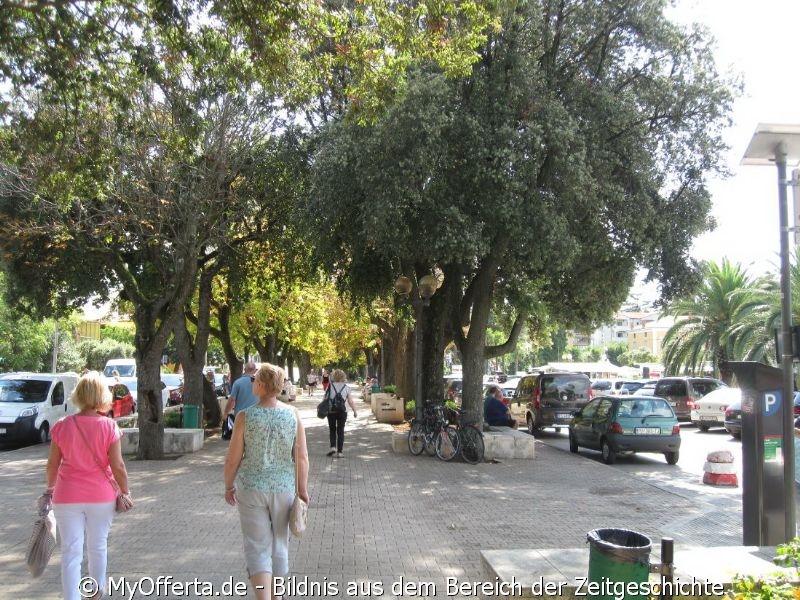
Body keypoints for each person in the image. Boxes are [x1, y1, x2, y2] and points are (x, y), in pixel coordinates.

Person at [224, 363, 309, 600]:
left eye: (255, 381)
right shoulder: (293, 415)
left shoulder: (245, 417)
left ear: (260, 385)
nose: (253, 384)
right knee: (280, 543)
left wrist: (228, 485)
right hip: (283, 488)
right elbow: (301, 456)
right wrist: (302, 490)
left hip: (251, 489)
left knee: (256, 545)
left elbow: (233, 458)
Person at [44, 371, 130, 600]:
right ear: (103, 395)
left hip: (66, 496)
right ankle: (95, 593)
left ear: (79, 395)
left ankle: (72, 597)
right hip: (101, 497)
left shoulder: (62, 426)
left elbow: (52, 464)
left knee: (71, 552)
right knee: (98, 547)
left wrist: (49, 489)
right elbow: (118, 465)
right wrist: (126, 491)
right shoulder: (109, 427)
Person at [325, 369, 358, 457]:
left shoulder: (330, 386)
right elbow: (350, 401)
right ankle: (340, 452)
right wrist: (354, 411)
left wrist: (322, 409)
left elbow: (325, 399)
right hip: (343, 411)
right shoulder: (347, 388)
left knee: (332, 429)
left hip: (331, 411)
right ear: (343, 377)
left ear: (333, 377)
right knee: (341, 431)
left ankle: (333, 447)